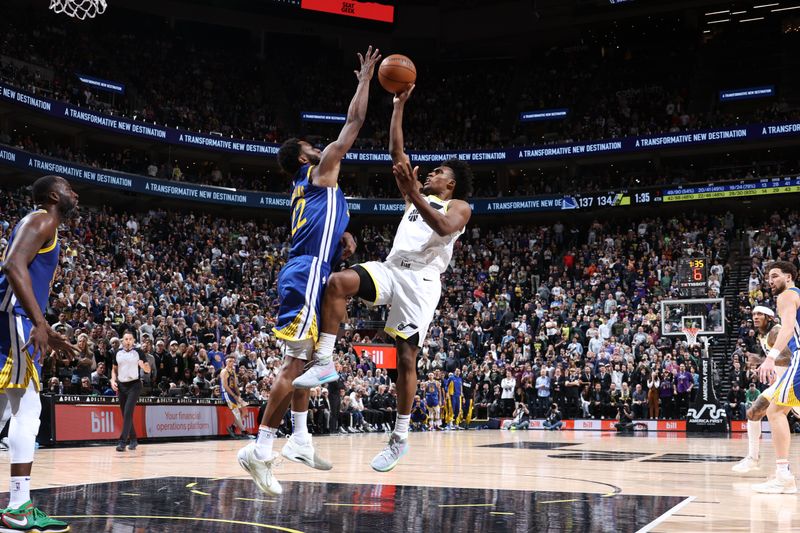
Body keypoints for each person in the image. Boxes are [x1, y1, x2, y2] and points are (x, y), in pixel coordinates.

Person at [293, 83, 474, 473]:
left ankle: (400, 436)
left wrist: (414, 192)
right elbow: (397, 153)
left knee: (406, 358)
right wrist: (397, 106)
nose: (433, 173)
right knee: (337, 283)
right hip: (393, 269)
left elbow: (443, 227)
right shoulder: (415, 195)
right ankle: (325, 358)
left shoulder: (459, 205)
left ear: (450, 184)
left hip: (422, 283)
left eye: (440, 172)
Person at [238, 46, 380, 495]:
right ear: (305, 159)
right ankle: (259, 449)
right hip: (304, 275)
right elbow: (353, 125)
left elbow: (322, 222)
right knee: (296, 362)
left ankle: (298, 437)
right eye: (312, 149)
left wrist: (344, 234)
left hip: (311, 269)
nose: (321, 151)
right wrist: (364, 81)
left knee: (310, 363)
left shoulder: (310, 189)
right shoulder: (319, 174)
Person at [0, 175, 79, 532]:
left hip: (12, 318)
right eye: (67, 188)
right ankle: (18, 506)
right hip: (14, 317)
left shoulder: (42, 224)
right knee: (28, 408)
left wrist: (44, 324)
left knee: (6, 410)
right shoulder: (43, 219)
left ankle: (19, 505)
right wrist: (39, 323)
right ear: (52, 196)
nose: (74, 193)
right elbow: (13, 265)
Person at [753, 261, 800, 493]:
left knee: (775, 410)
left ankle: (784, 477)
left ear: (789, 277)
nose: (770, 280)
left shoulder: (787, 296)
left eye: (775, 276)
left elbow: (788, 327)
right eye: (768, 277)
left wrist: (770, 357)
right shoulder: (796, 295)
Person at [732, 306, 794, 473]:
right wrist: (760, 359)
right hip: (781, 383)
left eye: (760, 314)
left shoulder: (776, 331)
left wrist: (766, 362)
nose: (755, 317)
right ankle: (753, 458)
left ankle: (781, 469)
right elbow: (773, 358)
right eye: (753, 314)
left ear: (770, 318)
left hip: (793, 381)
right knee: (753, 412)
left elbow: (789, 357)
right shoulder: (763, 335)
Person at [110, 331, 151, 451]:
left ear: (133, 341)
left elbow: (148, 370)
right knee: (125, 415)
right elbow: (114, 369)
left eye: (130, 339)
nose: (128, 341)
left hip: (134, 385)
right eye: (126, 339)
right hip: (121, 386)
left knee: (128, 413)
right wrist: (113, 380)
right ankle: (133, 439)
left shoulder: (138, 352)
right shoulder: (117, 353)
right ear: (122, 340)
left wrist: (143, 367)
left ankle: (122, 442)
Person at [220, 355, 249, 438]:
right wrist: (234, 395)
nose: (231, 363)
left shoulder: (233, 372)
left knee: (245, 410)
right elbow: (225, 386)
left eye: (233, 361)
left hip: (234, 393)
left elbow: (235, 386)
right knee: (236, 412)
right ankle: (243, 431)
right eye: (230, 361)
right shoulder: (224, 371)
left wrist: (239, 395)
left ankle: (232, 427)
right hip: (227, 393)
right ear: (226, 362)